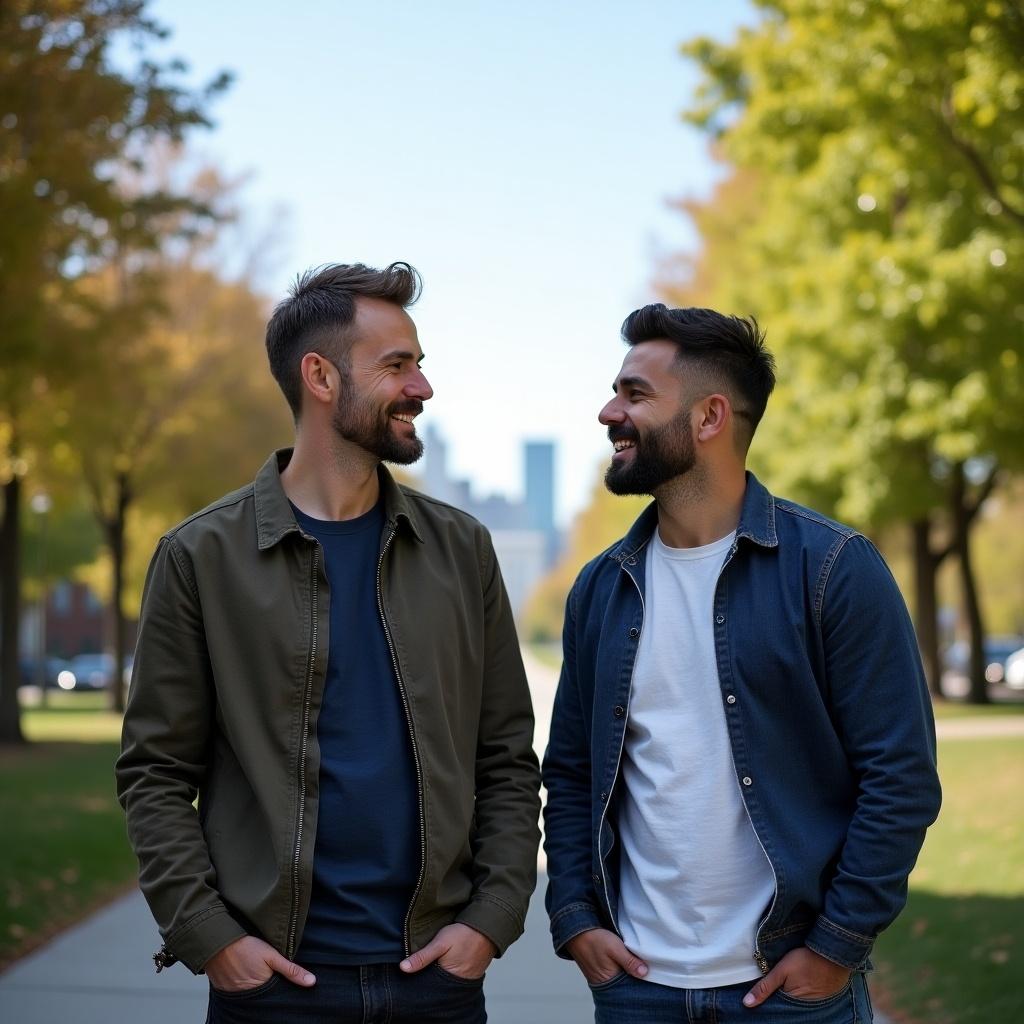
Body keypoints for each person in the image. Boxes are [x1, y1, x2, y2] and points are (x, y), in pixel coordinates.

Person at [117, 262, 541, 1023]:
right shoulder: (200, 557)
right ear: (320, 376)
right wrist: (210, 938)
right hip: (273, 989)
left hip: (437, 982)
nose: (422, 388)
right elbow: (154, 772)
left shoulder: (462, 549)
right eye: (397, 365)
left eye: (421, 365)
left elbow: (506, 756)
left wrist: (491, 919)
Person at [542, 304, 941, 1023]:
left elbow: (900, 776)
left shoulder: (834, 570)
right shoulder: (601, 588)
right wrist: (575, 914)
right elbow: (570, 769)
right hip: (637, 989)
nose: (609, 411)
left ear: (708, 417)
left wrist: (837, 943)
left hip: (790, 993)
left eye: (634, 393)